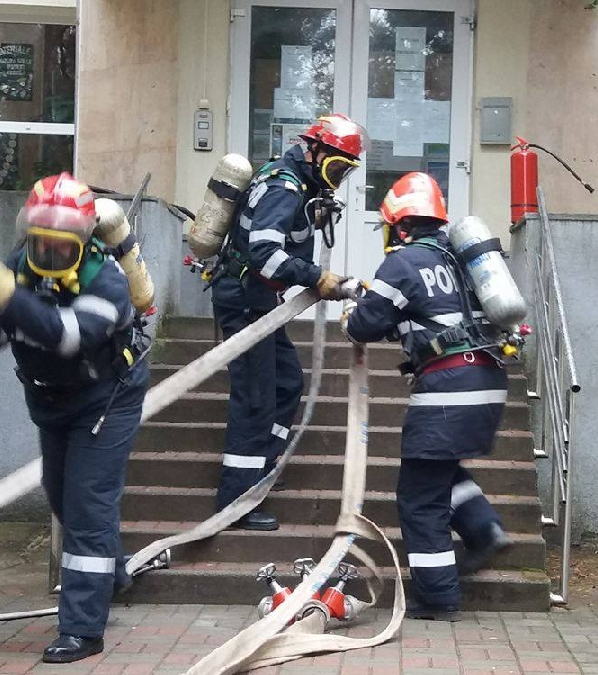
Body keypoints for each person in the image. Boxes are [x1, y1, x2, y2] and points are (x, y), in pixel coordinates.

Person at [0, 172, 150, 663]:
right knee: (59, 492)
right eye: (42, 242)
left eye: (62, 244)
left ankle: (83, 629)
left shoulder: (107, 280)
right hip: (50, 400)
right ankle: (111, 573)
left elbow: (64, 335)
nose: (51, 252)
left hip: (105, 399)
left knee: (87, 505)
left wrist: (4, 294)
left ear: (82, 242)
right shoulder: (18, 267)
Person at [339, 172, 512, 621]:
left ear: (400, 226)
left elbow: (364, 325)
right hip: (487, 379)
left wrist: (351, 314)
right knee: (439, 469)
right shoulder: (460, 258)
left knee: (419, 498)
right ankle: (484, 529)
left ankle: (438, 597)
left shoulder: (402, 263)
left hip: (448, 387)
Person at [209, 114, 368, 531]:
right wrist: (317, 277)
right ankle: (236, 503)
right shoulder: (285, 186)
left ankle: (261, 470)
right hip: (245, 302)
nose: (338, 178)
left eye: (345, 171)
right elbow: (265, 255)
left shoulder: (298, 184)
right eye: (337, 166)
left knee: (286, 383)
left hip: (259, 301)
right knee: (256, 397)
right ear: (315, 151)